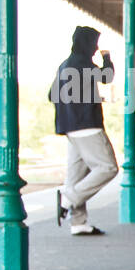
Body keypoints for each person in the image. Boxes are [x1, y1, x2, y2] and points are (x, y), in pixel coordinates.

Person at [51, 25, 117, 236]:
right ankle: (69, 198)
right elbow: (107, 77)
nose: (96, 49)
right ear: (88, 44)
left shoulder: (64, 66)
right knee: (108, 167)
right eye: (95, 45)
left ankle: (79, 223)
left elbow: (51, 95)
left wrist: (70, 107)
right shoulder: (83, 64)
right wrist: (107, 58)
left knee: (76, 175)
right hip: (86, 124)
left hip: (69, 128)